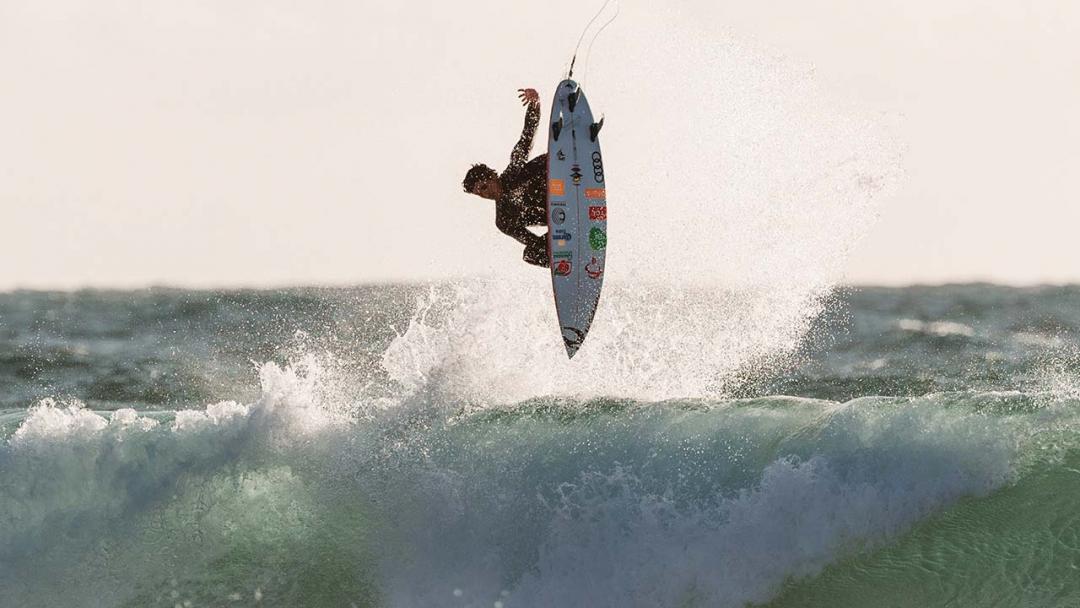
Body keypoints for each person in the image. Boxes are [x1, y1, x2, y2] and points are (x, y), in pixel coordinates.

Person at [462, 88, 550, 268]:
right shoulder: (503, 220)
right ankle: (569, 264)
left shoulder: (514, 169)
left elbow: (527, 134)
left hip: (562, 182)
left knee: (537, 165)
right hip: (559, 219)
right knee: (531, 254)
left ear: (492, 176)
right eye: (479, 194)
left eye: (484, 187)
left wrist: (534, 104)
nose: (484, 195)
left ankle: (569, 145)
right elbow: (533, 242)